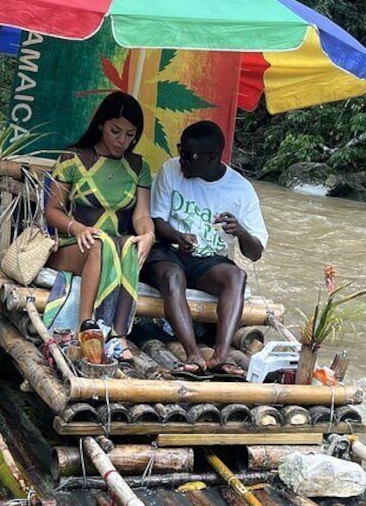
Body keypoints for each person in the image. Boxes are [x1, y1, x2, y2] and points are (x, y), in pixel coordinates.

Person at [142, 120, 268, 378]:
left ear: (213, 157)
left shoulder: (241, 190)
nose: (183, 161)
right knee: (172, 275)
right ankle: (193, 354)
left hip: (208, 262)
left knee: (236, 276)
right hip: (171, 252)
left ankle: (221, 355)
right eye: (181, 152)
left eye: (190, 156)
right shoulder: (170, 170)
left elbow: (255, 253)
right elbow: (156, 222)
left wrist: (241, 231)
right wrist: (178, 236)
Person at [44, 91, 155, 361]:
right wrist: (78, 229)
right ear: (101, 124)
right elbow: (52, 211)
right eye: (116, 131)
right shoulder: (72, 159)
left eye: (130, 134)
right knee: (99, 244)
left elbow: (141, 215)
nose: (122, 140)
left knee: (128, 246)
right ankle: (87, 326)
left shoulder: (139, 166)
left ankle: (119, 335)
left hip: (114, 248)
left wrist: (148, 234)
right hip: (75, 245)